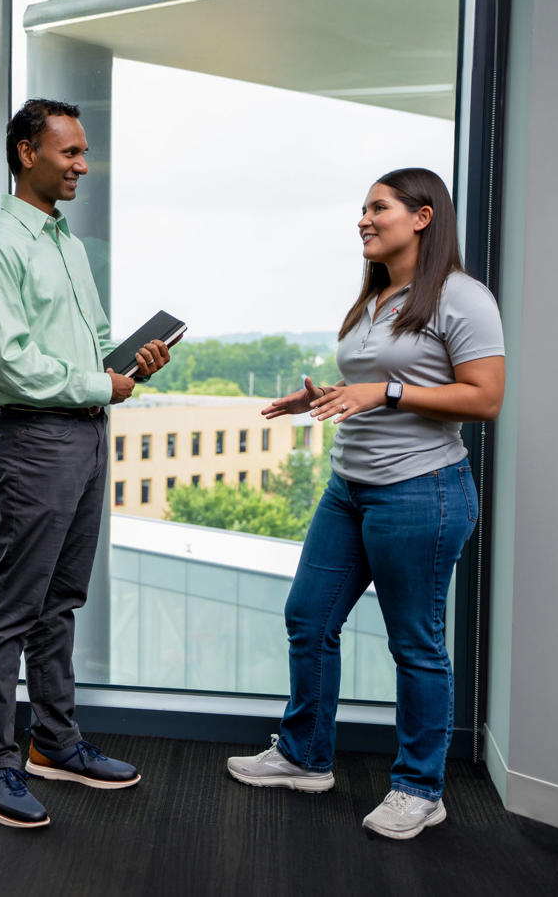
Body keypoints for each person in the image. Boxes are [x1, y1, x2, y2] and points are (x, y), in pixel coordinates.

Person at [226, 167, 505, 840]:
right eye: (361, 209)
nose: (363, 219)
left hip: (421, 493)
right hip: (348, 488)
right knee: (308, 616)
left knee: (415, 642)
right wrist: (324, 397)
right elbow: (372, 383)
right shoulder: (376, 298)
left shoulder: (462, 298)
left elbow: (484, 398)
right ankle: (304, 756)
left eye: (378, 208)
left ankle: (419, 788)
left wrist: (384, 393)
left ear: (423, 216)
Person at [0, 98, 172, 829]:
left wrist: (127, 367)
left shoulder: (66, 244)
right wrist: (93, 383)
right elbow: (8, 362)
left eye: (84, 153)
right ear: (26, 153)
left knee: (62, 598)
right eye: (70, 153)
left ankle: (54, 742)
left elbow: (92, 346)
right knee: (15, 605)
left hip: (83, 431)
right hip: (32, 436)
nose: (83, 165)